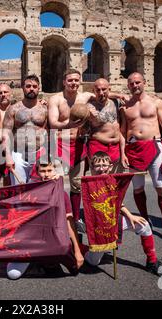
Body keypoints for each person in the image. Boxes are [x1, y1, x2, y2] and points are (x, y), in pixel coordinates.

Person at [48, 70, 126, 222]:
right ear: (64, 82)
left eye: (76, 80)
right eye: (70, 80)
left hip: (77, 145)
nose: (74, 83)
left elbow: (102, 93)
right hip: (60, 144)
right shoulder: (55, 99)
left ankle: (76, 219)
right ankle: (56, 217)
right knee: (56, 182)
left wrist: (120, 96)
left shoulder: (85, 97)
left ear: (81, 81)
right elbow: (53, 123)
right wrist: (68, 124)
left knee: (77, 184)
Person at [120, 72, 162, 246]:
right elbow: (123, 131)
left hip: (154, 146)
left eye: (137, 82)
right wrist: (123, 152)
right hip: (133, 149)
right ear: (128, 86)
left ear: (144, 82)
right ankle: (145, 221)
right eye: (131, 83)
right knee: (138, 189)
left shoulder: (156, 102)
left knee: (161, 188)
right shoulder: (125, 107)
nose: (135, 85)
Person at [83, 151, 162, 275]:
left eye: (104, 165)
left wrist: (130, 215)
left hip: (114, 220)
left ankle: (152, 262)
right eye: (97, 166)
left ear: (110, 167)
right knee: (93, 262)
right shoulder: (87, 183)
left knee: (144, 225)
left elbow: (118, 202)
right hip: (99, 226)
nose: (101, 169)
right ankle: (77, 247)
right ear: (92, 167)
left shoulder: (112, 180)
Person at [6, 160, 85, 280]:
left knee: (70, 266)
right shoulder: (30, 191)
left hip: (53, 237)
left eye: (49, 170)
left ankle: (48, 258)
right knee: (13, 274)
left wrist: (77, 250)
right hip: (32, 239)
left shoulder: (61, 194)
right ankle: (35, 258)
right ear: (37, 172)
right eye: (43, 171)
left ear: (55, 171)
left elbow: (69, 222)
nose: (46, 174)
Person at [86, 78, 125, 173]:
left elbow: (123, 127)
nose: (101, 92)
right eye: (98, 90)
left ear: (109, 89)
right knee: (98, 181)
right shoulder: (89, 106)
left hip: (115, 146)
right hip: (98, 146)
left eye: (104, 89)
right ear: (93, 91)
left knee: (114, 182)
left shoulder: (116, 102)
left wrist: (123, 152)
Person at [0, 83, 12, 187]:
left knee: (8, 182)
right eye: (0, 93)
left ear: (11, 94)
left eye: (5, 92)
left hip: (12, 151)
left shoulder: (17, 109)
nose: (3, 95)